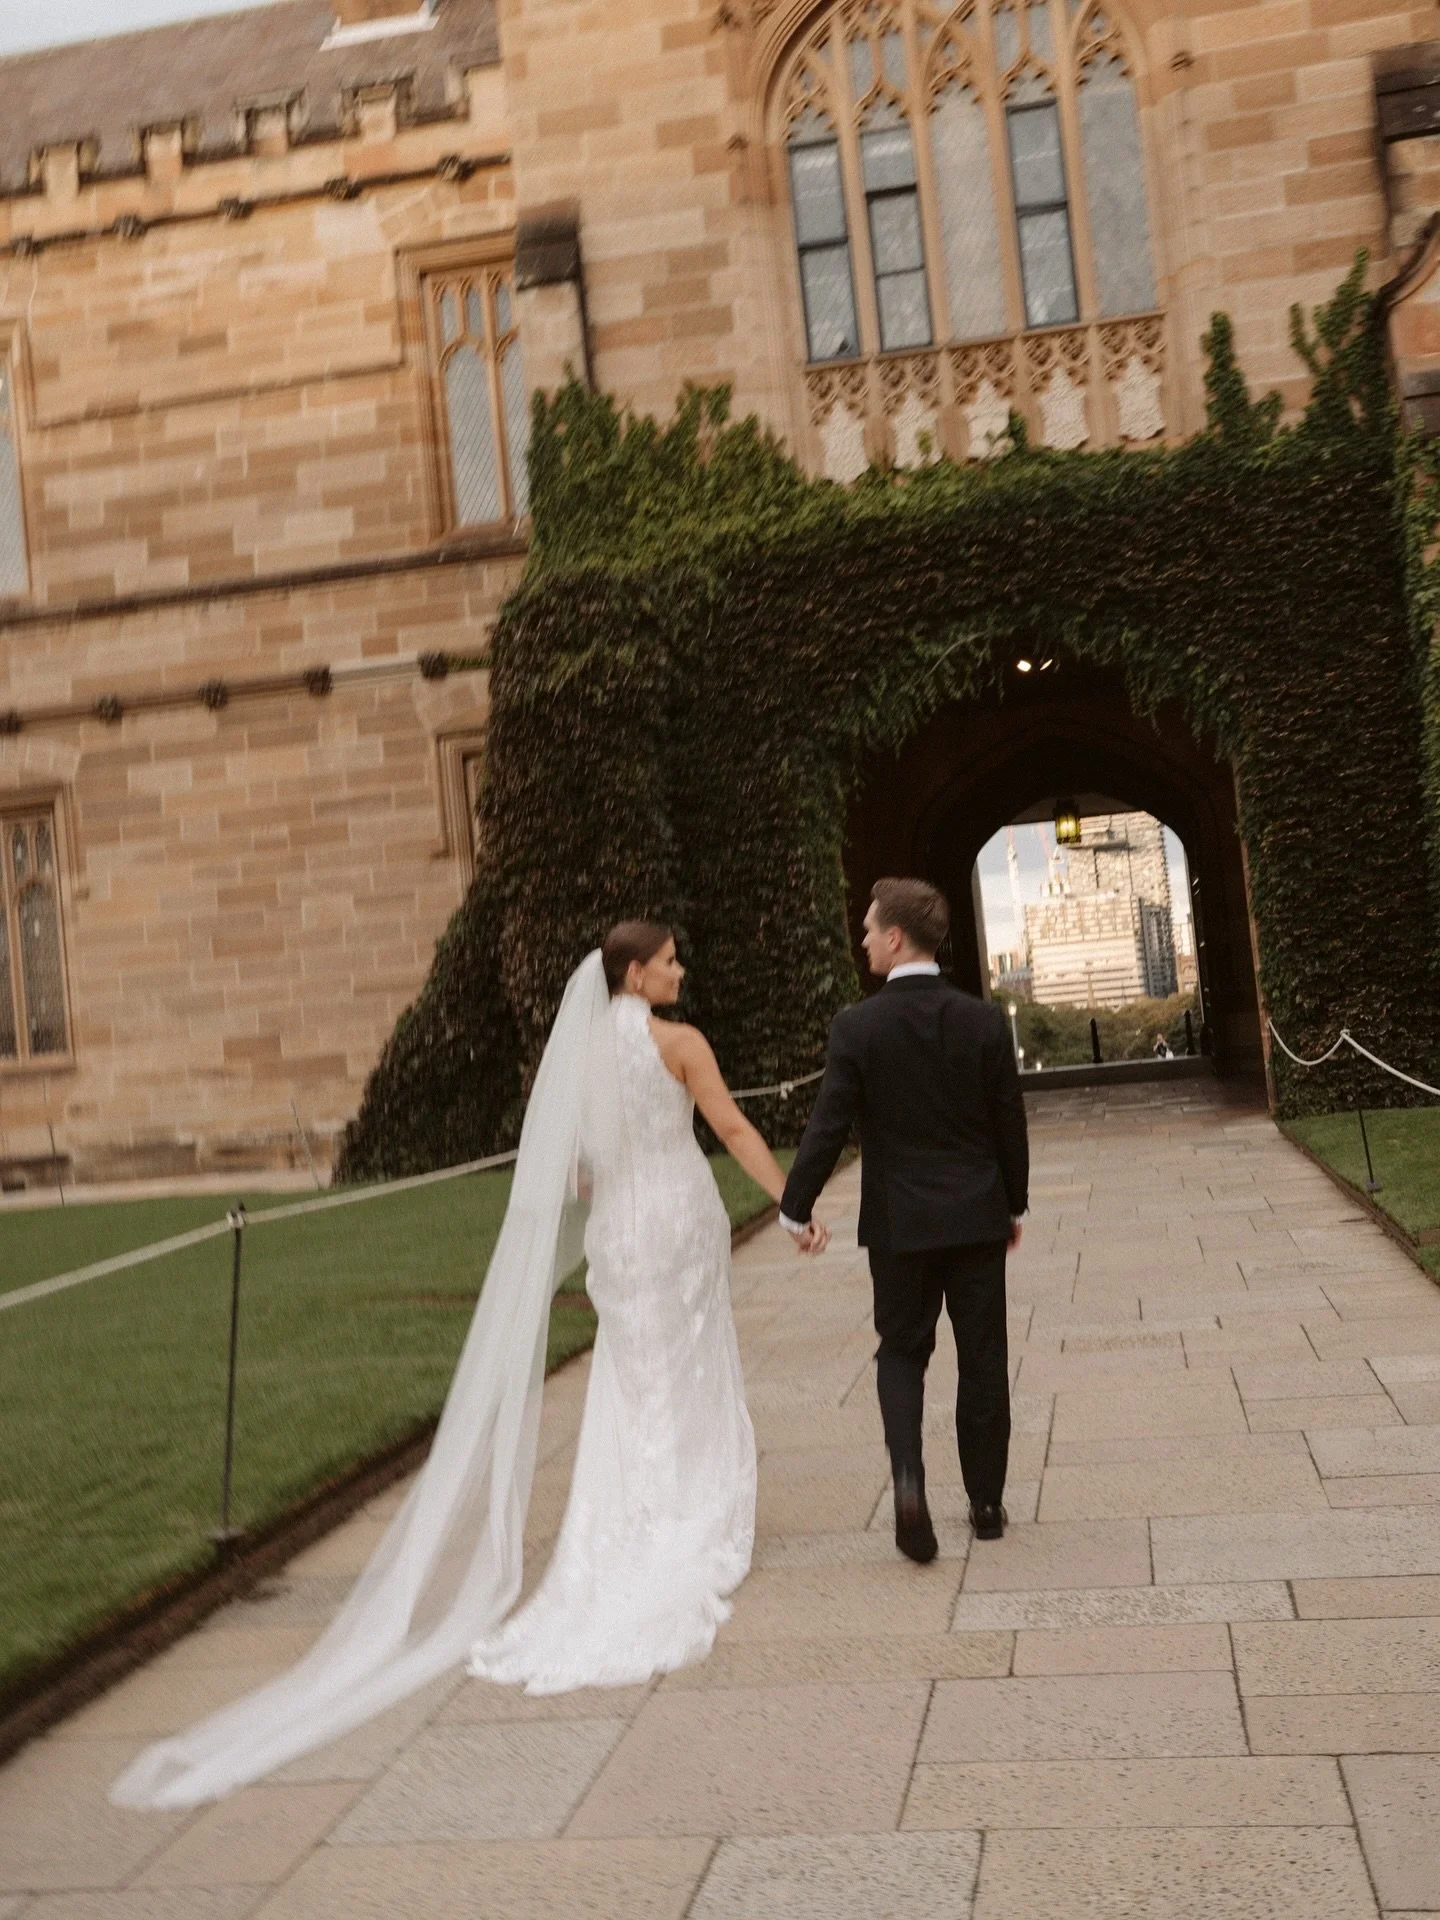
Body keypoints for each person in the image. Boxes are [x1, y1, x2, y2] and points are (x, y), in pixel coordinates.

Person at [112, 923, 811, 1809]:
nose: (681, 969)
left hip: (619, 1233)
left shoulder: (580, 1054)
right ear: (636, 974)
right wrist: (790, 1203)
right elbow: (732, 1124)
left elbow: (579, 1174)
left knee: (634, 1378)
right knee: (686, 1368)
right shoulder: (681, 1043)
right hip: (675, 1221)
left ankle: (639, 1515)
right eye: (670, 960)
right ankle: (685, 1515)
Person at [779, 878, 1029, 1564]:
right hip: (976, 1216)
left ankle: (911, 1485)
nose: (862, 940)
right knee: (983, 1358)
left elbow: (829, 1125)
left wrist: (796, 1207)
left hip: (899, 1223)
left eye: (868, 929)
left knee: (901, 1352)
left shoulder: (857, 1027)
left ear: (895, 938)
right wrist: (1013, 1204)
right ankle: (985, 1505)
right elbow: (1009, 1122)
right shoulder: (983, 1021)